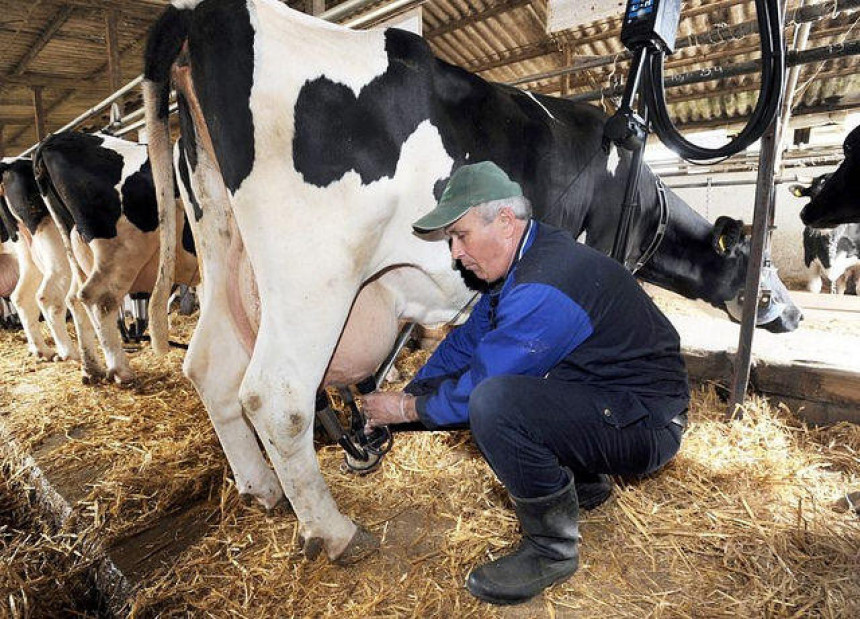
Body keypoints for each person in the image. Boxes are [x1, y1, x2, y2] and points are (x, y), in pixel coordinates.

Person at [361, 161, 689, 605]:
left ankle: (551, 549)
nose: (455, 252)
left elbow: (486, 380)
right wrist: (414, 391)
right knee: (506, 392)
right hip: (609, 401)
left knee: (496, 403)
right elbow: (469, 341)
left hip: (647, 424)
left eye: (460, 235)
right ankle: (585, 483)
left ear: (505, 221)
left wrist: (404, 412)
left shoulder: (543, 284)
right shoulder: (522, 263)